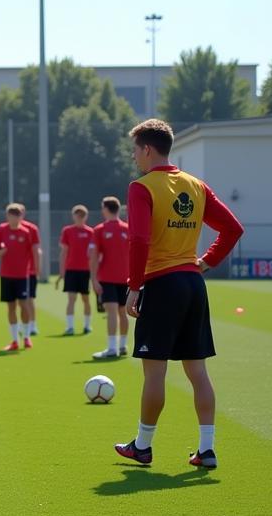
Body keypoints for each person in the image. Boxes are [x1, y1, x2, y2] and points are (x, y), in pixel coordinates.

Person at [114, 119, 243, 470]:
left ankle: (142, 446)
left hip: (161, 285)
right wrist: (206, 261)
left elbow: (139, 240)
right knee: (197, 372)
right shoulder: (196, 185)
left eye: (135, 150)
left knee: (154, 373)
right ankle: (207, 449)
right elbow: (233, 228)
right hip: (192, 284)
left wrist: (134, 287)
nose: (134, 157)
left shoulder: (142, 187)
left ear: (147, 149)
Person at [90, 196, 131, 359]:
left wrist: (93, 278)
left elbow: (94, 256)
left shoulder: (99, 229)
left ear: (105, 209)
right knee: (122, 313)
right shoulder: (128, 229)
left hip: (107, 277)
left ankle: (112, 348)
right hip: (126, 277)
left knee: (113, 312)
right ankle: (122, 346)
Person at [0, 204, 36, 351]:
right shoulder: (1, 230)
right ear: (7, 216)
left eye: (16, 216)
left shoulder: (26, 232)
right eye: (10, 216)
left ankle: (27, 337)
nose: (13, 219)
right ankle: (15, 340)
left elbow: (33, 252)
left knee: (24, 305)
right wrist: (1, 252)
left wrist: (36, 269)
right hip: (6, 275)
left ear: (21, 217)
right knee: (10, 307)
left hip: (22, 275)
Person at [56, 205, 93, 335]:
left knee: (85, 298)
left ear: (86, 217)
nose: (79, 218)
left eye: (82, 216)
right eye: (77, 216)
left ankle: (87, 325)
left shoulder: (91, 232)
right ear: (73, 216)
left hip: (85, 270)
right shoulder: (67, 231)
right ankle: (70, 327)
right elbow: (64, 252)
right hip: (71, 269)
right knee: (71, 298)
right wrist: (62, 270)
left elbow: (95, 253)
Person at [16, 203, 42, 334]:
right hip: (14, 272)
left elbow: (37, 250)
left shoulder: (31, 229)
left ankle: (33, 325)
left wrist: (37, 268)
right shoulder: (7, 228)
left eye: (20, 212)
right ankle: (20, 325)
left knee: (29, 299)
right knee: (15, 301)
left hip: (29, 270)